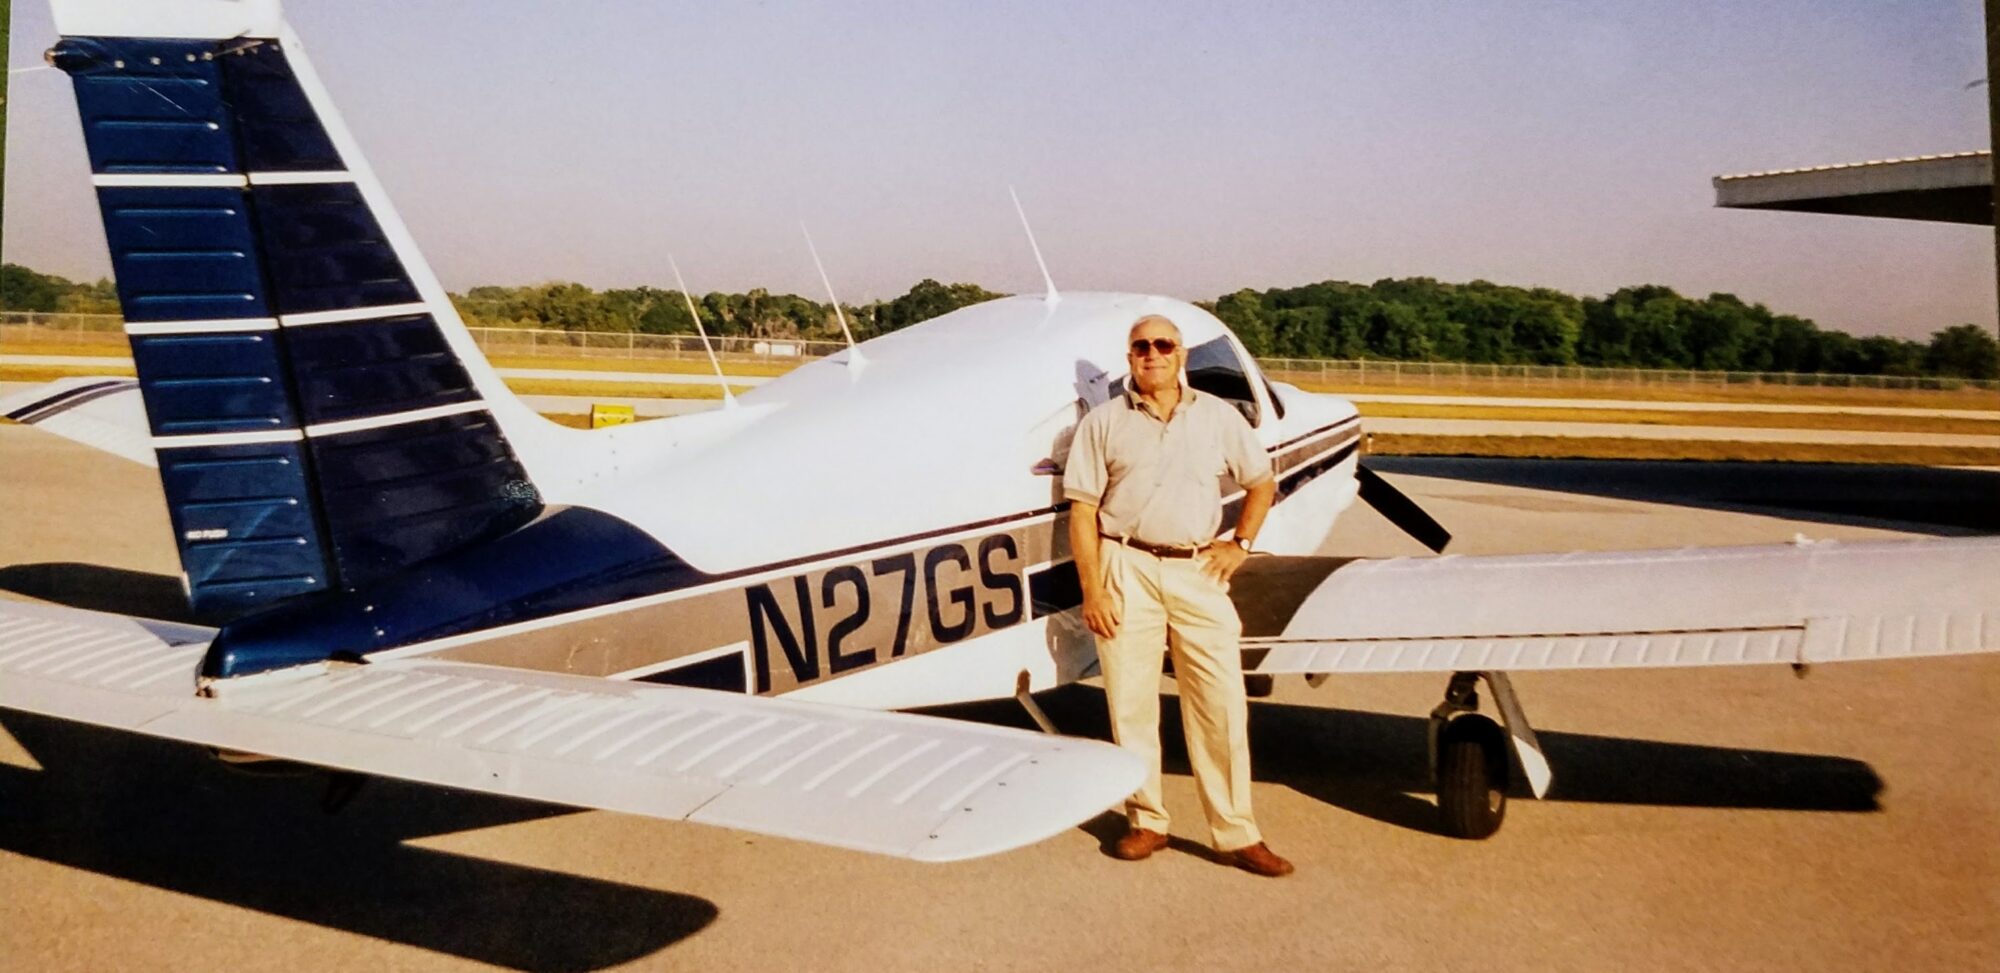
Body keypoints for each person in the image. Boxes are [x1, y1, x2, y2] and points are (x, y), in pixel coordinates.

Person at [1061, 314, 1291, 877]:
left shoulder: (1218, 416)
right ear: (1130, 356)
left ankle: (1235, 833)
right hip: (1125, 565)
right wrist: (1094, 590)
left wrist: (1240, 542)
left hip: (1198, 571)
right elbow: (1083, 510)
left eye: (1163, 344)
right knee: (1131, 703)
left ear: (1181, 353)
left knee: (1220, 703)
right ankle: (1147, 821)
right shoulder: (1104, 423)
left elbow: (1262, 482)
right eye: (1141, 346)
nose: (1152, 354)